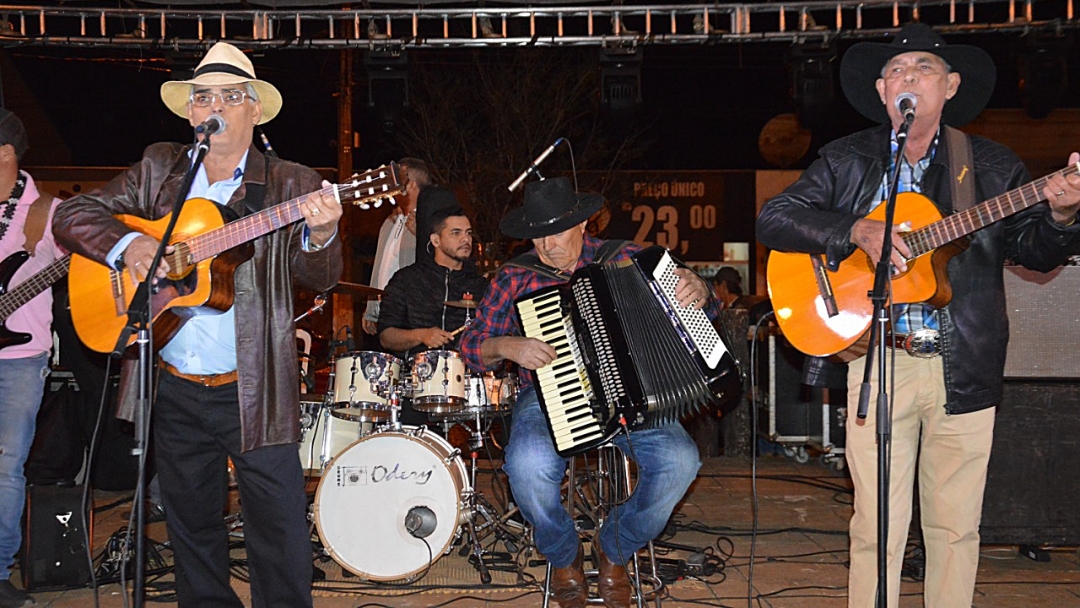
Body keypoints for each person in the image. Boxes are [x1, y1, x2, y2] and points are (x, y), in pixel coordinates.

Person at [756, 23, 1080, 608]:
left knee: (955, 528)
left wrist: (1062, 214)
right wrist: (856, 229)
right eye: (898, 71)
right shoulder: (847, 158)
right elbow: (775, 218)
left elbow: (1034, 251)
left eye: (924, 69)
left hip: (966, 364)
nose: (909, 78)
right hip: (879, 359)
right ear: (883, 91)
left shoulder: (989, 164)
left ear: (951, 86)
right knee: (874, 524)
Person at [52, 42, 344, 607]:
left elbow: (323, 276)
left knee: (279, 535)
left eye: (231, 97)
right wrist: (132, 244)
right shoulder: (161, 169)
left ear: (254, 110)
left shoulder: (288, 182)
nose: (215, 106)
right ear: (190, 111)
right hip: (172, 386)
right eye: (203, 96)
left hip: (254, 390)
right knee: (191, 533)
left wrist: (326, 232)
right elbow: (72, 215)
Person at [460, 176, 711, 608]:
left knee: (681, 462)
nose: (546, 247)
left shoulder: (628, 258)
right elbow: (470, 347)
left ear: (583, 225)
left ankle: (614, 548)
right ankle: (564, 554)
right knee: (526, 466)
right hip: (546, 398)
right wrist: (508, 346)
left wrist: (700, 289)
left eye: (555, 233)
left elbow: (702, 308)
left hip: (634, 399)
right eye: (536, 237)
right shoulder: (516, 276)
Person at [0, 109, 63, 608]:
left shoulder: (48, 213)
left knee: (5, 467)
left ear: (6, 155)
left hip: (18, 358)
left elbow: (92, 264)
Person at [378, 196, 490, 362]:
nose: (465, 239)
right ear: (436, 240)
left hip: (465, 377)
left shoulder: (481, 285)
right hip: (416, 376)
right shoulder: (406, 279)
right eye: (456, 233)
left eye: (468, 233)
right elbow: (386, 336)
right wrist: (421, 335)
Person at [361, 157, 432, 336]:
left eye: (396, 179)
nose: (391, 185)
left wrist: (421, 234)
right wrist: (371, 309)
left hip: (415, 317)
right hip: (387, 313)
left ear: (412, 185)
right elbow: (382, 265)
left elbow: (441, 264)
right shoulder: (390, 221)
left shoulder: (431, 221)